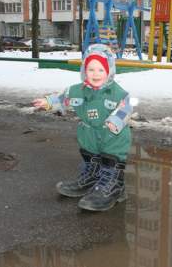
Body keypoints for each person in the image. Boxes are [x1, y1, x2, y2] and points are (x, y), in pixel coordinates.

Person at [32, 44, 133, 211]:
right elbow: (63, 98)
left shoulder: (117, 92)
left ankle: (114, 186)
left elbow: (127, 105)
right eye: (91, 69)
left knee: (110, 160)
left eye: (101, 70)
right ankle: (92, 177)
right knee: (90, 155)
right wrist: (48, 102)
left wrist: (116, 120)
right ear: (84, 70)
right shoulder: (77, 90)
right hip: (89, 133)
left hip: (112, 136)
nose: (95, 74)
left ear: (109, 71)